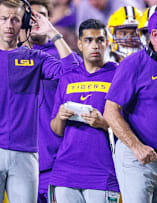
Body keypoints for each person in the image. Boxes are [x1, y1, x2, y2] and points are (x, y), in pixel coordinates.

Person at [103, 8, 157, 203]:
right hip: (138, 160)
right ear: (155, 35)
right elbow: (110, 111)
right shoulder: (133, 64)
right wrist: (137, 147)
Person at [0, 0, 78, 202]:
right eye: (3, 19)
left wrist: (52, 32)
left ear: (23, 24)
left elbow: (73, 71)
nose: (9, 25)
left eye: (15, 19)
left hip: (26, 152)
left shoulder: (34, 58)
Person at [49, 19, 120, 203]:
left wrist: (104, 124)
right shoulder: (68, 78)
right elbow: (56, 129)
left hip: (104, 172)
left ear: (107, 42)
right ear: (79, 44)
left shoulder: (118, 75)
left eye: (100, 40)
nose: (95, 45)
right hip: (65, 172)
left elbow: (131, 125)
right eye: (88, 40)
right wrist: (60, 116)